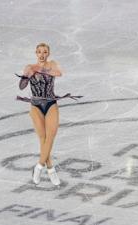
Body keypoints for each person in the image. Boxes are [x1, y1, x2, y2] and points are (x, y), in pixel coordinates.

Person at [15, 43, 82, 186]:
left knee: (50, 136)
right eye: (39, 52)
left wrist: (41, 70)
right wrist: (27, 76)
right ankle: (51, 169)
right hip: (36, 105)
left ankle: (39, 167)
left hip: (51, 103)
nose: (42, 54)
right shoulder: (29, 67)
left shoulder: (52, 64)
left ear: (48, 54)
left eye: (45, 52)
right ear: (36, 53)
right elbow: (21, 86)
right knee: (43, 138)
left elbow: (59, 73)